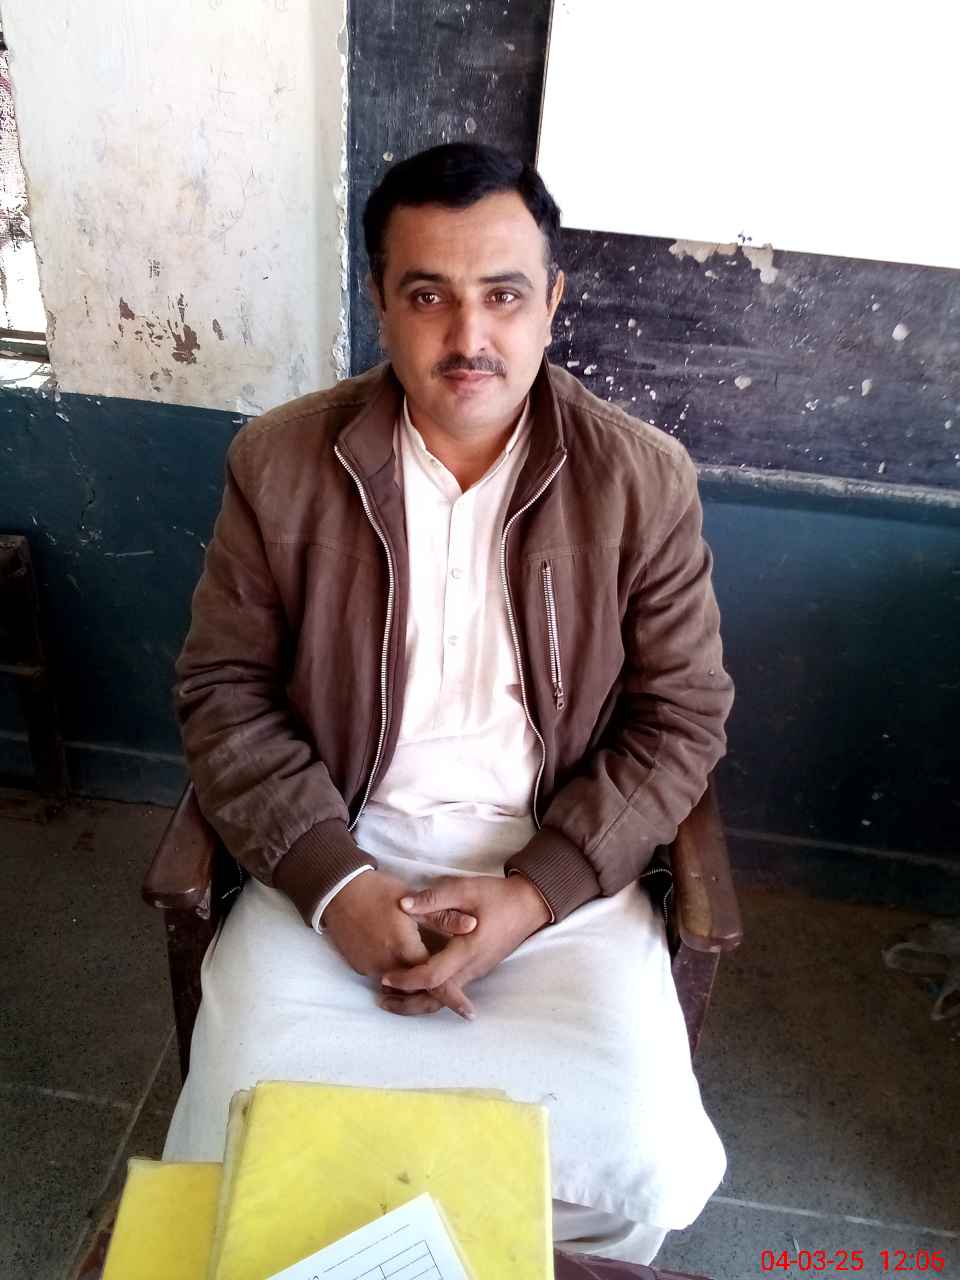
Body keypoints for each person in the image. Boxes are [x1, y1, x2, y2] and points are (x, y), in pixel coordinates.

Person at [163, 142, 735, 1265]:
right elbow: (223, 692)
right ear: (379, 301)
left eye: (503, 295)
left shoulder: (640, 478)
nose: (469, 337)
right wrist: (338, 887)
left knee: (644, 1166)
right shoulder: (280, 464)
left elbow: (681, 718)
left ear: (552, 303)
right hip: (334, 853)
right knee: (232, 1155)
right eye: (428, 295)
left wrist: (535, 892)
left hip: (562, 881)